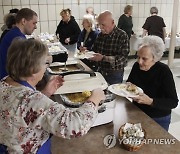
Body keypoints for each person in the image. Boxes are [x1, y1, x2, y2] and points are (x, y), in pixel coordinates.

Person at [0, 38, 105, 153]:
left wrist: (45, 93)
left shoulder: (4, 83)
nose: (46, 67)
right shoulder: (32, 100)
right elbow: (74, 126)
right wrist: (95, 98)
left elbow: (24, 112)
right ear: (32, 69)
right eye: (46, 63)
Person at [127, 35, 178, 131]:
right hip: (137, 111)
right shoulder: (136, 66)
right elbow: (129, 83)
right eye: (138, 57)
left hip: (158, 117)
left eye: (144, 59)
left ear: (155, 58)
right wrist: (127, 88)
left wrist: (150, 101)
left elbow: (173, 102)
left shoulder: (163, 71)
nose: (139, 61)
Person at [90, 11, 129, 85]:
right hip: (100, 71)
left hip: (114, 74)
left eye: (103, 25)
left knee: (112, 94)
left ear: (112, 22)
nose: (101, 28)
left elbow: (122, 60)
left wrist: (103, 58)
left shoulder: (122, 36)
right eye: (99, 25)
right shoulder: (100, 35)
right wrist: (86, 52)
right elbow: (94, 50)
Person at [0, 8, 38, 79]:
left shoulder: (15, 33)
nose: (35, 27)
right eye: (34, 23)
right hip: (8, 79)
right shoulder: (16, 37)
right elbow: (27, 62)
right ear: (23, 21)